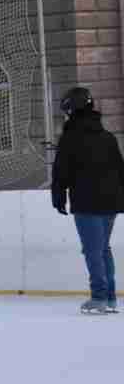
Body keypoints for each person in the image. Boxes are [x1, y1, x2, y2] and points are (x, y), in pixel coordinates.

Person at [52, 86, 124, 314]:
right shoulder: (108, 138)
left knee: (93, 251)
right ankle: (110, 298)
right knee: (103, 249)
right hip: (110, 203)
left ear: (73, 110)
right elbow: (120, 170)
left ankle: (100, 298)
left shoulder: (70, 139)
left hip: (86, 202)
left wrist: (59, 196)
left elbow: (61, 171)